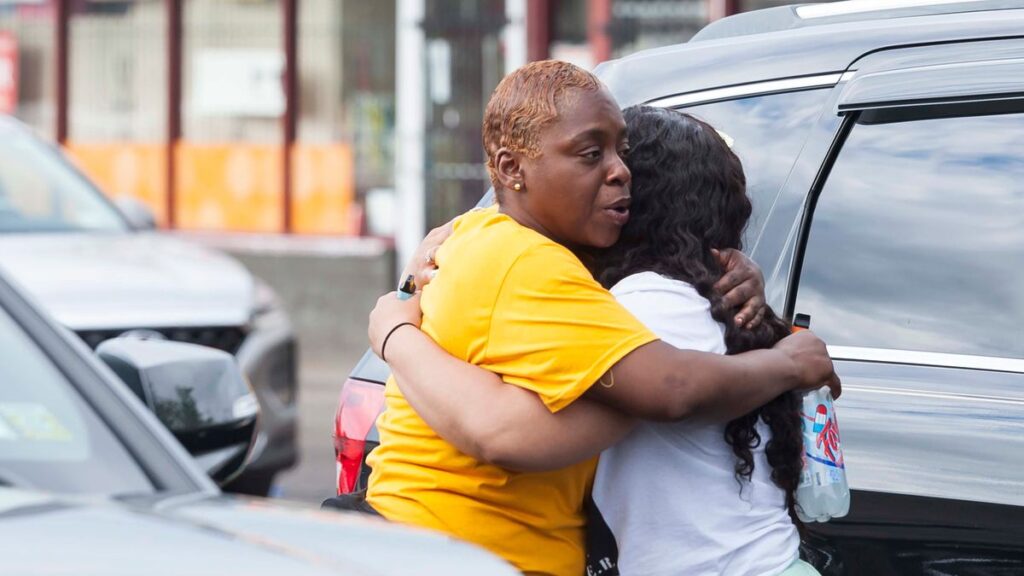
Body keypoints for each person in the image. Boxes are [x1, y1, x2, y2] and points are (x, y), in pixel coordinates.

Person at [365, 60, 838, 576]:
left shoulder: (503, 244)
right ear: (511, 169)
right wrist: (788, 361)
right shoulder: (533, 263)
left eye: (623, 153)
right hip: (462, 555)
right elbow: (667, 389)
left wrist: (393, 325)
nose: (620, 171)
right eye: (592, 154)